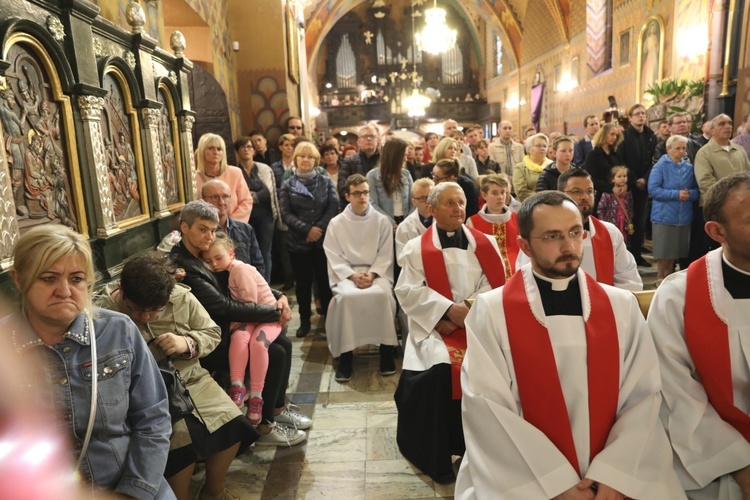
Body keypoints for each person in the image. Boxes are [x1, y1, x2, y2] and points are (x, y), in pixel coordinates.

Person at [455, 190, 685, 499]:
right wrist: (554, 483)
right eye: (552, 236)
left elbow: (642, 396)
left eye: (575, 232)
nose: (569, 247)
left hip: (617, 473)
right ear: (524, 245)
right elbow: (487, 406)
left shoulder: (621, 307)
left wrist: (614, 474)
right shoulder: (492, 311)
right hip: (526, 477)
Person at [4, 225, 173, 499]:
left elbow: (153, 420)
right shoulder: (5, 348)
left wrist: (133, 492)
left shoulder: (119, 332)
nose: (64, 290)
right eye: (49, 278)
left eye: (77, 278)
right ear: (19, 280)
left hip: (127, 484)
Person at [99, 253, 256, 500]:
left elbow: (212, 332)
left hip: (191, 378)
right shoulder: (102, 312)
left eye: (155, 310)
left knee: (235, 424)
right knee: (180, 442)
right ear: (122, 291)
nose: (145, 317)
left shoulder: (181, 297)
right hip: (142, 393)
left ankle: (213, 491)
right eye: (136, 309)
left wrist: (187, 342)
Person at [170, 200, 309, 447]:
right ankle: (263, 427)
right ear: (184, 227)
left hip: (229, 327)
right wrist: (273, 313)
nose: (209, 236)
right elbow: (222, 307)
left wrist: (279, 297)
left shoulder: (205, 252)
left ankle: (275, 410)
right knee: (275, 352)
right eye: (203, 229)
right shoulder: (184, 265)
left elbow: (242, 280)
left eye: (213, 230)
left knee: (284, 345)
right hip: (209, 338)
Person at [395, 182, 505, 485]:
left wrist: (462, 315)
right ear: (431, 209)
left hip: (476, 324)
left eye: (461, 202)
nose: (458, 208)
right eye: (449, 203)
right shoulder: (416, 248)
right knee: (440, 370)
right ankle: (440, 452)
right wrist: (445, 312)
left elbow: (494, 286)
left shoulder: (486, 244)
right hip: (433, 327)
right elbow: (406, 290)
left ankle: (486, 450)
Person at [648, 172, 750, 499]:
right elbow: (674, 391)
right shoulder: (679, 296)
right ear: (716, 231)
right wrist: (741, 465)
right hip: (712, 453)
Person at [323, 174, 399, 381]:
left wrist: (372, 274)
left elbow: (386, 254)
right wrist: (353, 275)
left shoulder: (381, 221)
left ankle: (385, 351)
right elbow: (333, 255)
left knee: (383, 295)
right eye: (357, 193)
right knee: (347, 298)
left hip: (377, 272)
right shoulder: (336, 223)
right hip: (346, 274)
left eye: (365, 192)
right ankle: (346, 357)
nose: (362, 197)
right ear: (347, 196)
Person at [201, 233, 282, 426]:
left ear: (231, 253)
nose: (213, 264)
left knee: (258, 344)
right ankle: (237, 385)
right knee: (238, 337)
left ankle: (256, 396)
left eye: (218, 258)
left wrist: (235, 319)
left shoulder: (239, 269)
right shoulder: (226, 271)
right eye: (208, 261)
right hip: (252, 317)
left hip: (267, 316)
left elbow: (250, 303)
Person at [524, 169, 642, 290]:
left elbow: (628, 280)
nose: (585, 197)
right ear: (560, 194)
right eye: (577, 191)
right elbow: (527, 279)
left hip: (604, 305)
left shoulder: (610, 233)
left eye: (589, 191)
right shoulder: (543, 234)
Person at [279, 141, 337, 338]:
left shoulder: (326, 181)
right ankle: (304, 320)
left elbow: (332, 206)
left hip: (322, 241)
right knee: (302, 285)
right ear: (296, 159)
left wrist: (319, 228)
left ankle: (331, 320)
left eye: (310, 156)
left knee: (324, 283)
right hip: (299, 242)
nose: (306, 160)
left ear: (316, 160)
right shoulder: (288, 184)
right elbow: (285, 213)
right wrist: (307, 230)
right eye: (302, 156)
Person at [649, 135, 700, 281]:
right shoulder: (660, 166)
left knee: (674, 254)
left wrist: (688, 194)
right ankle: (660, 280)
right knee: (663, 254)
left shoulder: (689, 167)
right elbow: (653, 190)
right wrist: (676, 194)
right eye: (678, 148)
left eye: (684, 148)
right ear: (668, 149)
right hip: (664, 216)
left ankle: (669, 281)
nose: (682, 151)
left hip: (683, 216)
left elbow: (697, 191)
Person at [617, 104, 658, 267]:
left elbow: (653, 160)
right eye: (637, 113)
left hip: (644, 183)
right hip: (628, 184)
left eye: (643, 113)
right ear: (631, 117)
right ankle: (625, 255)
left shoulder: (650, 135)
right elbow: (621, 161)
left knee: (640, 220)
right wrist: (635, 180)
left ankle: (637, 253)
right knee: (627, 220)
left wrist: (645, 179)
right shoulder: (624, 136)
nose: (641, 116)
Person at [234, 136, 278, 282]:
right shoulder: (235, 170)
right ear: (237, 151)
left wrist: (247, 196)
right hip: (244, 216)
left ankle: (267, 285)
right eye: (242, 147)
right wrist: (250, 195)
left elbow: (268, 192)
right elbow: (235, 194)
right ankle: (252, 284)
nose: (246, 150)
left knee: (265, 252)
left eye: (249, 147)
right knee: (246, 251)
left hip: (265, 215)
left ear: (254, 150)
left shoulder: (263, 169)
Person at [202, 180, 265, 275]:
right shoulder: (202, 234)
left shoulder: (245, 229)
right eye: (215, 197)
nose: (221, 202)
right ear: (203, 200)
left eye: (225, 196)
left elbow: (258, 266)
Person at [468, 173, 520, 281]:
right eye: (495, 193)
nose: (500, 197)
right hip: (485, 277)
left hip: (517, 275)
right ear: (484, 195)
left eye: (503, 192)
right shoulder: (473, 221)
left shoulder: (517, 218)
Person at [195, 133, 253, 224]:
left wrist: (229, 223)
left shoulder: (235, 173)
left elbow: (246, 201)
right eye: (211, 148)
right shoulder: (193, 178)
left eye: (219, 149)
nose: (216, 152)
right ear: (202, 151)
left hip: (233, 227)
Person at [367, 137, 413, 230]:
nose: (406, 159)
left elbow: (414, 200)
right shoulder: (372, 176)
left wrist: (408, 221)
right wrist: (390, 222)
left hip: (406, 222)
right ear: (394, 156)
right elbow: (372, 203)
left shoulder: (406, 174)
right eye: (403, 155)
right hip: (383, 223)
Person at [584, 122, 623, 211]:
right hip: (600, 196)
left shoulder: (616, 155)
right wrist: (611, 188)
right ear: (604, 134)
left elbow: (622, 172)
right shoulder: (593, 155)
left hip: (617, 195)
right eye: (612, 134)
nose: (614, 137)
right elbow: (591, 178)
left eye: (616, 135)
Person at [395, 177, 434, 266]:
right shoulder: (404, 227)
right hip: (415, 274)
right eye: (423, 198)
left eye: (430, 197)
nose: (428, 201)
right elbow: (401, 260)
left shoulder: (443, 221)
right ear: (414, 201)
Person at [338, 125, 381, 197]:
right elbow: (342, 187)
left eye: (372, 136)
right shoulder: (349, 161)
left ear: (377, 140)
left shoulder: (385, 161)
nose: (369, 139)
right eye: (365, 136)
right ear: (359, 142)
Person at [596, 165, 635, 241]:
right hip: (610, 224)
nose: (623, 178)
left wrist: (629, 219)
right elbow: (600, 209)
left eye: (624, 176)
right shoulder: (607, 194)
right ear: (612, 179)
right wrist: (603, 223)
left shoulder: (628, 193)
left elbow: (630, 206)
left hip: (623, 223)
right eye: (619, 176)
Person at [513, 132, 552, 201]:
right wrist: (543, 199)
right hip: (530, 204)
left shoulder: (552, 166)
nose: (542, 148)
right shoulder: (520, 168)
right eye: (538, 146)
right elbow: (521, 191)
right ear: (529, 149)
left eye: (544, 146)